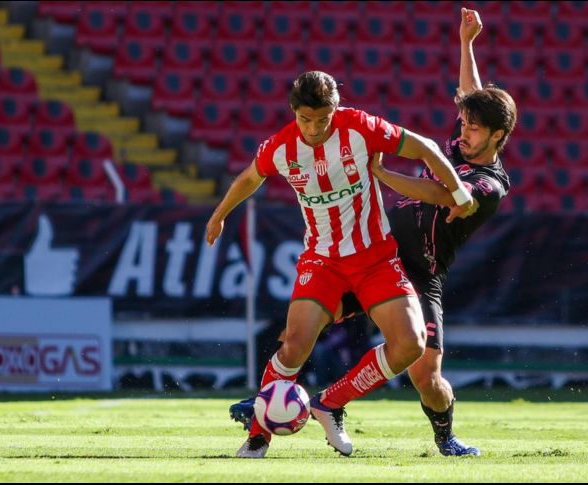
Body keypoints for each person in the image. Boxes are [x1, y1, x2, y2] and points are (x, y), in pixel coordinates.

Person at [230, 8, 517, 457]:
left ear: (498, 137)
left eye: (474, 127)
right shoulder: (465, 138)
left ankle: (443, 436)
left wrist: (380, 173)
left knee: (426, 375)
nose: (463, 130)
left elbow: (444, 194)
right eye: (463, 122)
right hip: (373, 253)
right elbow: (471, 95)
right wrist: (467, 44)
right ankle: (273, 404)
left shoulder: (489, 185)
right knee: (302, 331)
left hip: (419, 271)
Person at [207, 70, 477, 459]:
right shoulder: (281, 148)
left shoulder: (361, 127)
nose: (314, 128)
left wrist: (457, 192)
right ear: (293, 113)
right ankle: (257, 438)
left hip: (375, 259)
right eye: (305, 119)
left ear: (336, 109)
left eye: (323, 118)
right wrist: (219, 215)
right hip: (322, 262)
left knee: (411, 345)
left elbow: (425, 147)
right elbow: (250, 178)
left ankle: (329, 402)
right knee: (293, 347)